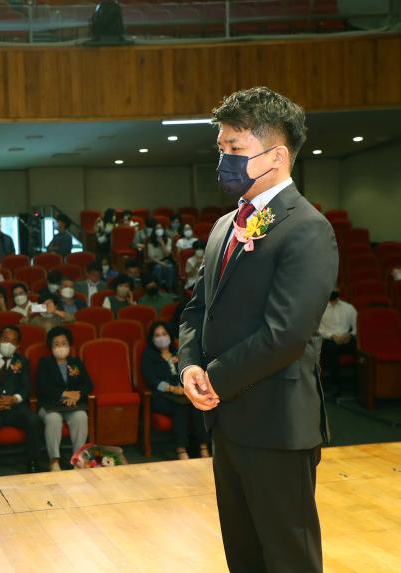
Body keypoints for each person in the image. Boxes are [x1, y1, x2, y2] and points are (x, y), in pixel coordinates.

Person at [178, 87, 338, 573]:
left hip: (277, 422)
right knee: (243, 554)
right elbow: (197, 307)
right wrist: (188, 365)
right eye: (220, 149)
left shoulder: (308, 228)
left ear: (277, 156)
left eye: (235, 149)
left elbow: (286, 333)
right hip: (226, 420)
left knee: (288, 557)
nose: (223, 160)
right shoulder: (225, 225)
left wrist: (215, 379)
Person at [0, 325, 42, 476]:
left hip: (15, 407)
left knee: (34, 421)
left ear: (17, 345)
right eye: (5, 339)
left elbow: (26, 386)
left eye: (13, 341)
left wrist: (14, 399)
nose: (8, 343)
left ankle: (33, 462)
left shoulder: (22, 361)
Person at [142, 322, 208, 460]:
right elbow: (151, 380)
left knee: (197, 406)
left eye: (164, 334)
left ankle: (203, 447)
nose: (162, 338)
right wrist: (172, 388)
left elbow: (187, 373)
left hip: (182, 395)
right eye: (157, 335)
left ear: (170, 336)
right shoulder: (148, 355)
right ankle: (181, 449)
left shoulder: (178, 353)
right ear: (152, 338)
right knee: (181, 408)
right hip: (160, 396)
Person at [36, 327, 93, 472]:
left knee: (81, 416)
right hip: (50, 405)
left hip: (72, 406)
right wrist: (66, 394)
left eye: (64, 343)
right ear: (51, 347)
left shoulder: (76, 362)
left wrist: (77, 395)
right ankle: (54, 461)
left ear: (69, 345)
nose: (60, 347)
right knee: (53, 419)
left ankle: (77, 459)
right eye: (56, 344)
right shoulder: (44, 363)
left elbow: (88, 384)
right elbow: (43, 387)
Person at [318, 288, 357, 391]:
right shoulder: (320, 308)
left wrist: (349, 336)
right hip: (328, 339)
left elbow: (358, 327)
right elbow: (317, 329)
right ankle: (336, 385)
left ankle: (360, 386)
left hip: (347, 339)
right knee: (331, 349)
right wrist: (332, 336)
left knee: (362, 351)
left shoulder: (349, 308)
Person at [146, 222, 175, 291]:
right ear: (154, 230)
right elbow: (151, 257)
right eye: (157, 228)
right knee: (158, 268)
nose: (159, 230)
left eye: (160, 228)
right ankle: (159, 288)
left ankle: (169, 288)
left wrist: (162, 244)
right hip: (154, 262)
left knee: (170, 267)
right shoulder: (150, 241)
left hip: (165, 260)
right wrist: (161, 263)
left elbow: (167, 255)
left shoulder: (168, 240)